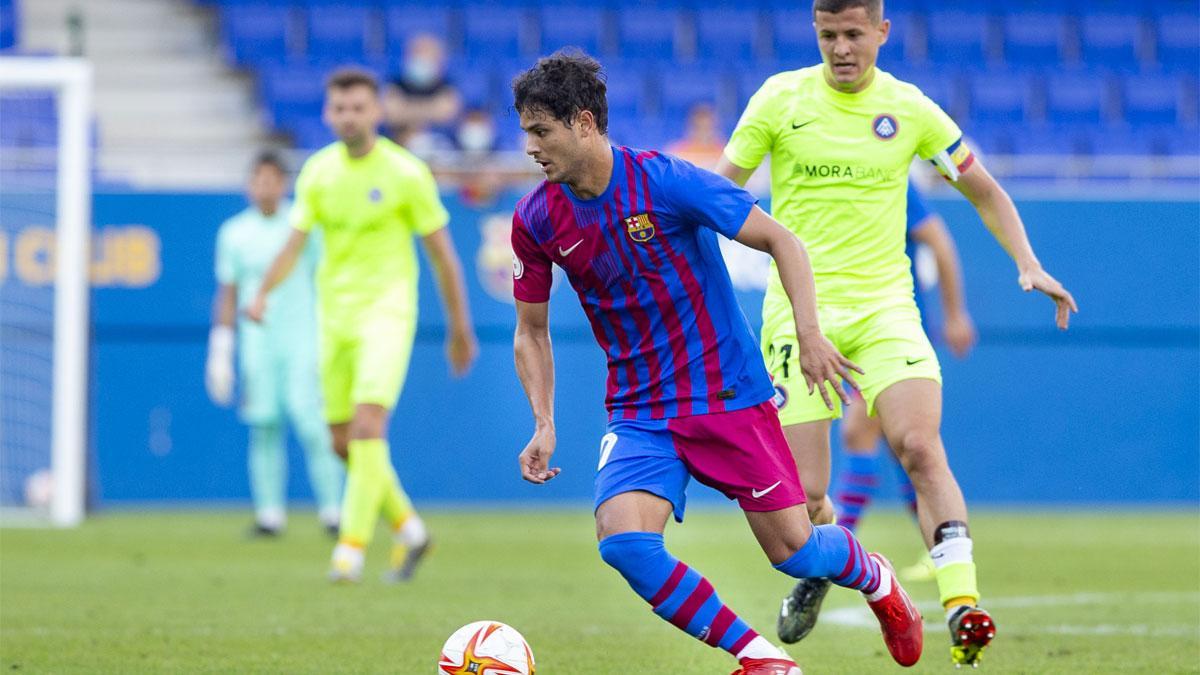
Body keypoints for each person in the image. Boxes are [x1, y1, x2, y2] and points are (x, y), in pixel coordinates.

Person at [509, 52, 923, 675]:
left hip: (726, 396)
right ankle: (762, 660)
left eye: (541, 131)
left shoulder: (668, 181)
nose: (531, 148)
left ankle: (876, 577)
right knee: (624, 543)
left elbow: (783, 240)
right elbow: (530, 331)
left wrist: (809, 335)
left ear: (585, 123)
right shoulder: (537, 218)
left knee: (795, 552)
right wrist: (543, 419)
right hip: (641, 409)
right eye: (526, 133)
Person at [715, 0, 1077, 666]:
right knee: (805, 498)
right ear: (815, 33)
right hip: (799, 316)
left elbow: (985, 191)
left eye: (853, 34)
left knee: (917, 443)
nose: (841, 48)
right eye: (828, 35)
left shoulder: (910, 109)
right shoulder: (778, 100)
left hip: (887, 311)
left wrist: (1028, 261)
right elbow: (716, 194)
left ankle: (962, 602)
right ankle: (830, 560)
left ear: (882, 32)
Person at [247, 68, 479, 583]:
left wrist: (460, 328)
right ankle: (412, 532)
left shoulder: (405, 173)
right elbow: (294, 243)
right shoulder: (317, 173)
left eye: (358, 107)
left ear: (376, 112)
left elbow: (443, 256)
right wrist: (263, 292)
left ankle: (348, 552)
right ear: (328, 114)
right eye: (339, 108)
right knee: (341, 442)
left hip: (387, 313)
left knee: (369, 427)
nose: (348, 116)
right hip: (333, 319)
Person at [833, 181, 976, 581]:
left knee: (861, 430)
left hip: (891, 328)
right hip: (851, 325)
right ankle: (941, 546)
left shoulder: (887, 176)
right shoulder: (827, 184)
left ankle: (837, 546)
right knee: (907, 450)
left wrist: (955, 314)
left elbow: (939, 242)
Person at [206, 151, 344, 537]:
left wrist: (328, 333)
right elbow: (228, 291)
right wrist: (221, 349)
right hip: (257, 342)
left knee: (312, 422)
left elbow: (324, 278)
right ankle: (269, 515)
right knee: (263, 424)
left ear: (283, 184)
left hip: (303, 337)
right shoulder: (234, 233)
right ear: (250, 185)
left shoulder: (302, 226)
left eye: (272, 180)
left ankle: (333, 511)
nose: (265, 188)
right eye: (258, 180)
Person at [384, 33, 462, 156]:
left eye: (427, 54)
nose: (422, 59)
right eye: (418, 53)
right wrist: (431, 109)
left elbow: (447, 114)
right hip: (400, 146)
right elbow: (392, 114)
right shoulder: (395, 83)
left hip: (440, 150)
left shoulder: (447, 86)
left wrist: (407, 109)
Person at [667, 102, 727, 168]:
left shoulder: (725, 153)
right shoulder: (677, 153)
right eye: (699, 127)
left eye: (707, 128)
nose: (704, 133)